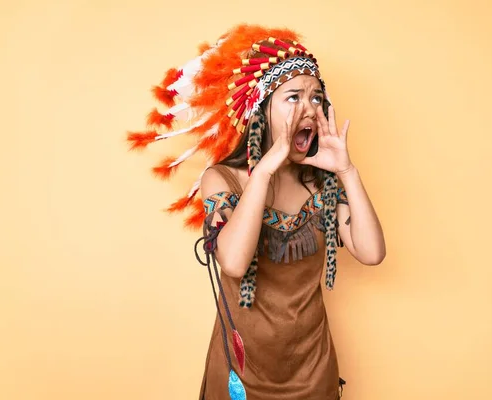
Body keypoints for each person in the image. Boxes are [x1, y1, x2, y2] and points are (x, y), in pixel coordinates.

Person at [128, 24, 386, 400]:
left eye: (317, 98)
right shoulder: (221, 179)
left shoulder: (322, 184)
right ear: (261, 112)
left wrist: (346, 171)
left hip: (312, 373)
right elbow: (233, 262)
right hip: (241, 376)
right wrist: (264, 170)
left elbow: (372, 252)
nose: (309, 109)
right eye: (293, 97)